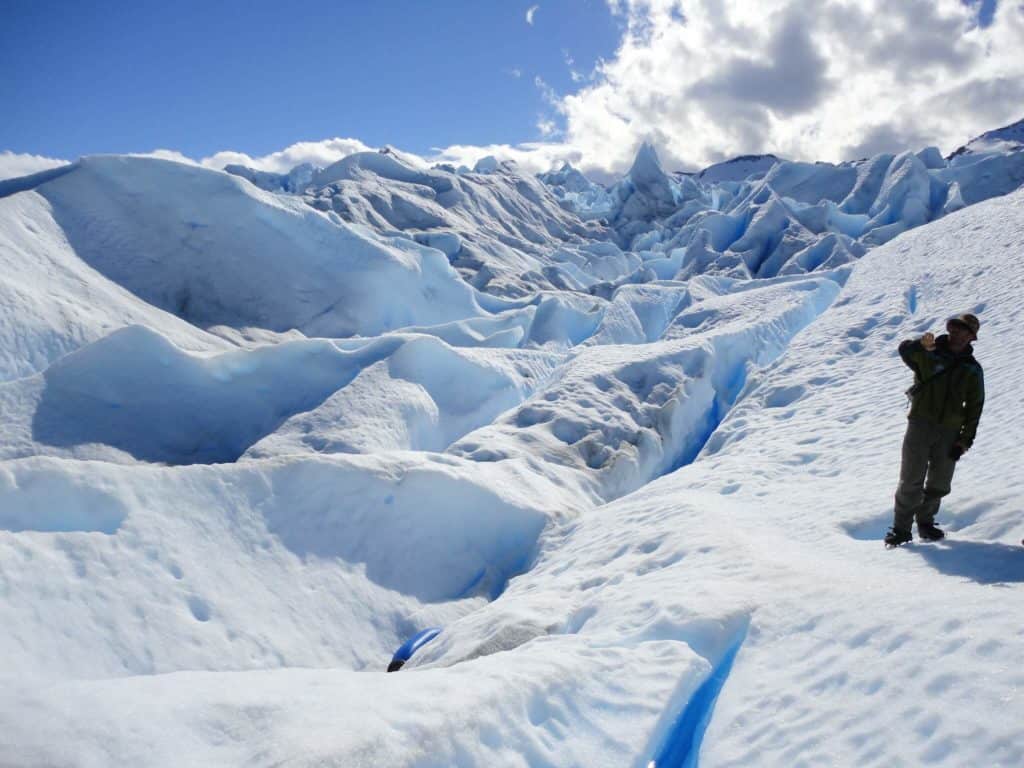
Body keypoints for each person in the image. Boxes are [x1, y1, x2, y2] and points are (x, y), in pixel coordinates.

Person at [885, 313, 984, 547]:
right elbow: (905, 352)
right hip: (920, 424)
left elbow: (974, 407)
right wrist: (920, 344)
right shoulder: (929, 353)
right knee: (911, 479)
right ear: (950, 329)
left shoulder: (972, 369)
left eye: (964, 330)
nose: (958, 333)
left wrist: (964, 440)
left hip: (950, 432)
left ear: (971, 337)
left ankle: (926, 523)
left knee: (940, 482)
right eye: (955, 328)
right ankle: (901, 529)